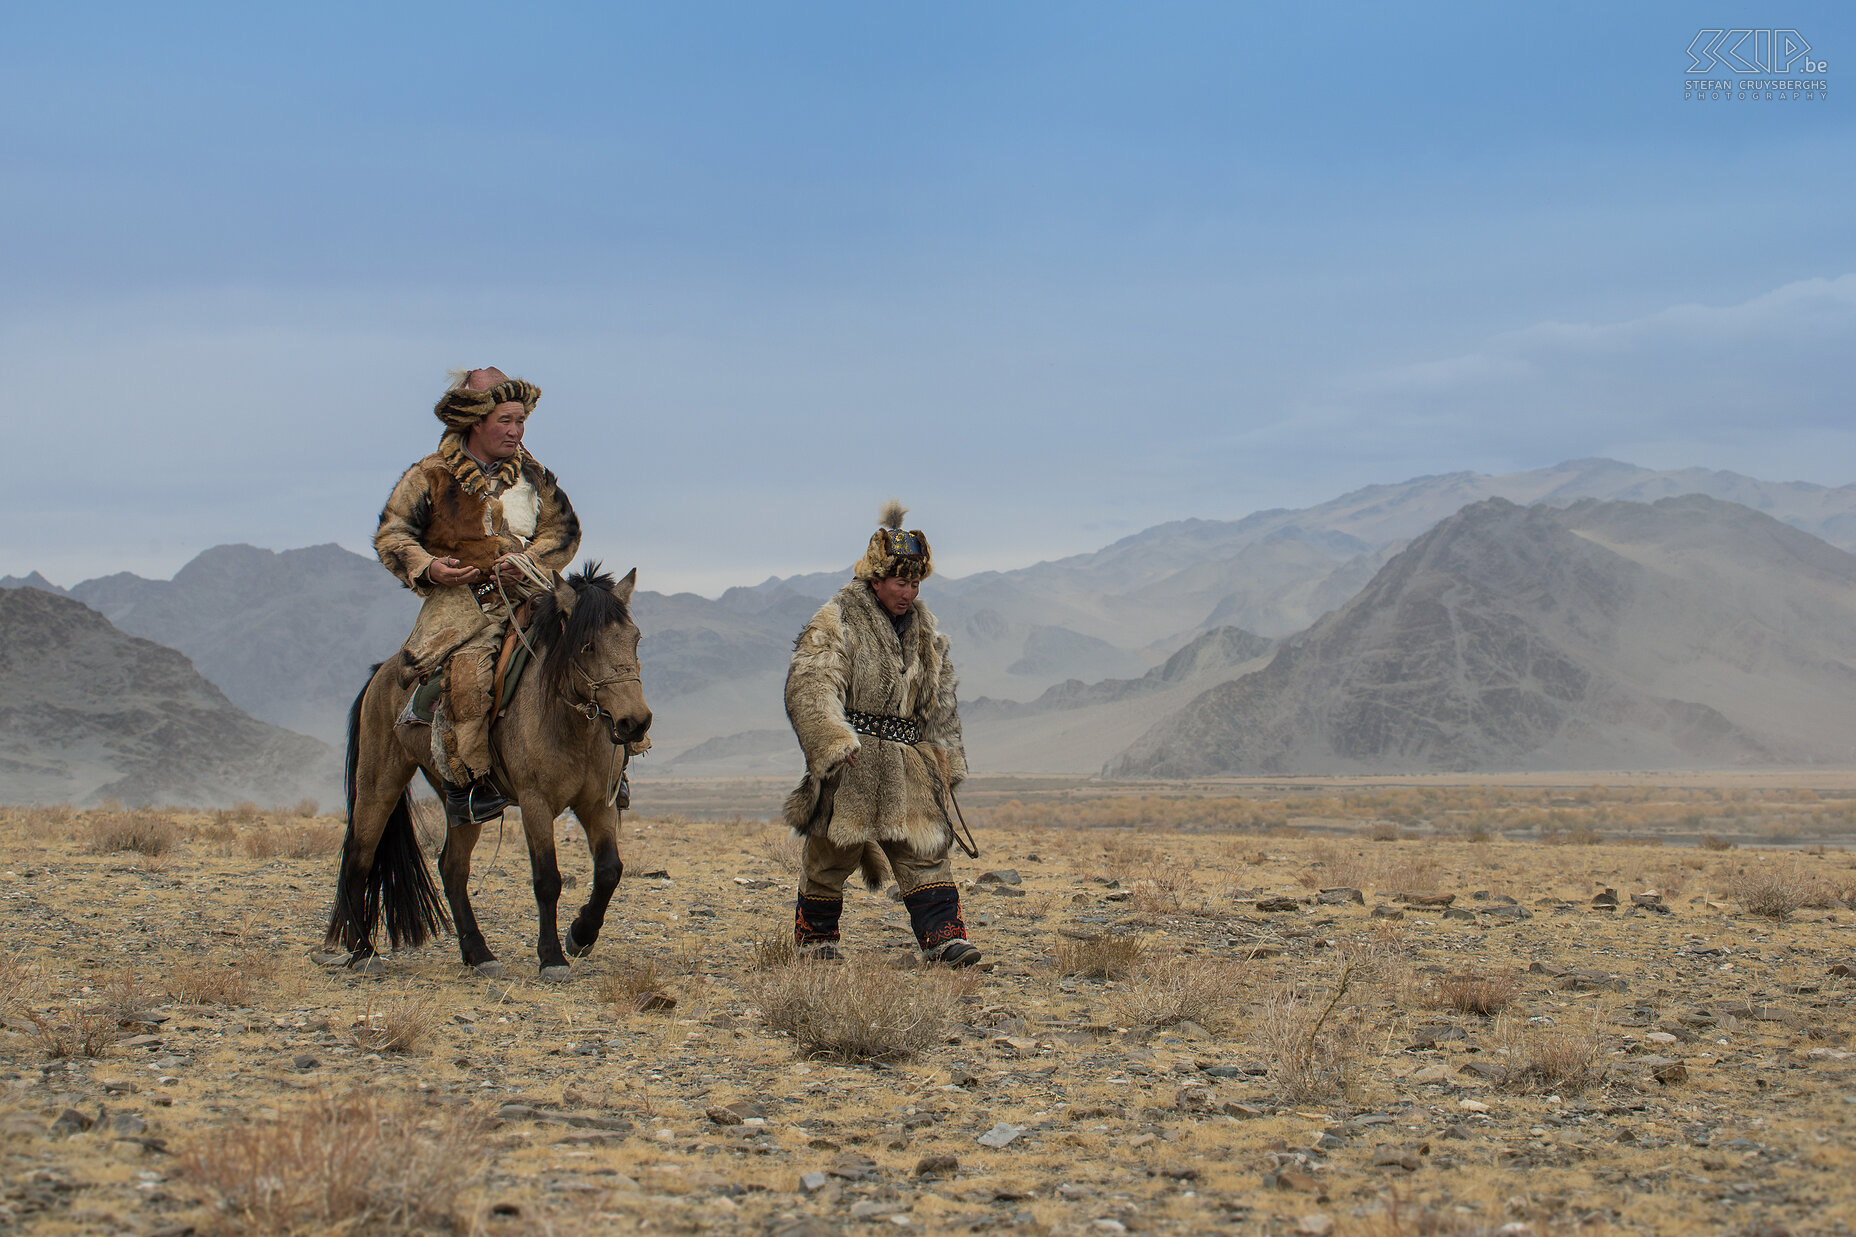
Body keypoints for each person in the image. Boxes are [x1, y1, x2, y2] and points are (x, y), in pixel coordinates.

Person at [374, 367, 581, 822]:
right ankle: (467, 783)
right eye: (505, 421)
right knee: (468, 680)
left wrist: (528, 562)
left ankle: (605, 769)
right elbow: (393, 536)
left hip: (532, 591)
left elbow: (563, 532)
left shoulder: (535, 477)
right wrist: (431, 567)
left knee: (593, 647)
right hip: (461, 602)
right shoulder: (429, 476)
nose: (515, 430)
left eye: (520, 421)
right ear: (476, 422)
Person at [782, 501, 980, 967]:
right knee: (832, 853)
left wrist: (944, 757)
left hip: (909, 760)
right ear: (876, 579)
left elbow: (940, 701)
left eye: (914, 582)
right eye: (899, 582)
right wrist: (831, 740)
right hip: (852, 758)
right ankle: (817, 942)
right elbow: (810, 682)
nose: (909, 591)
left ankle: (944, 940)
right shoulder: (838, 619)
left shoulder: (926, 633)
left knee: (925, 848)